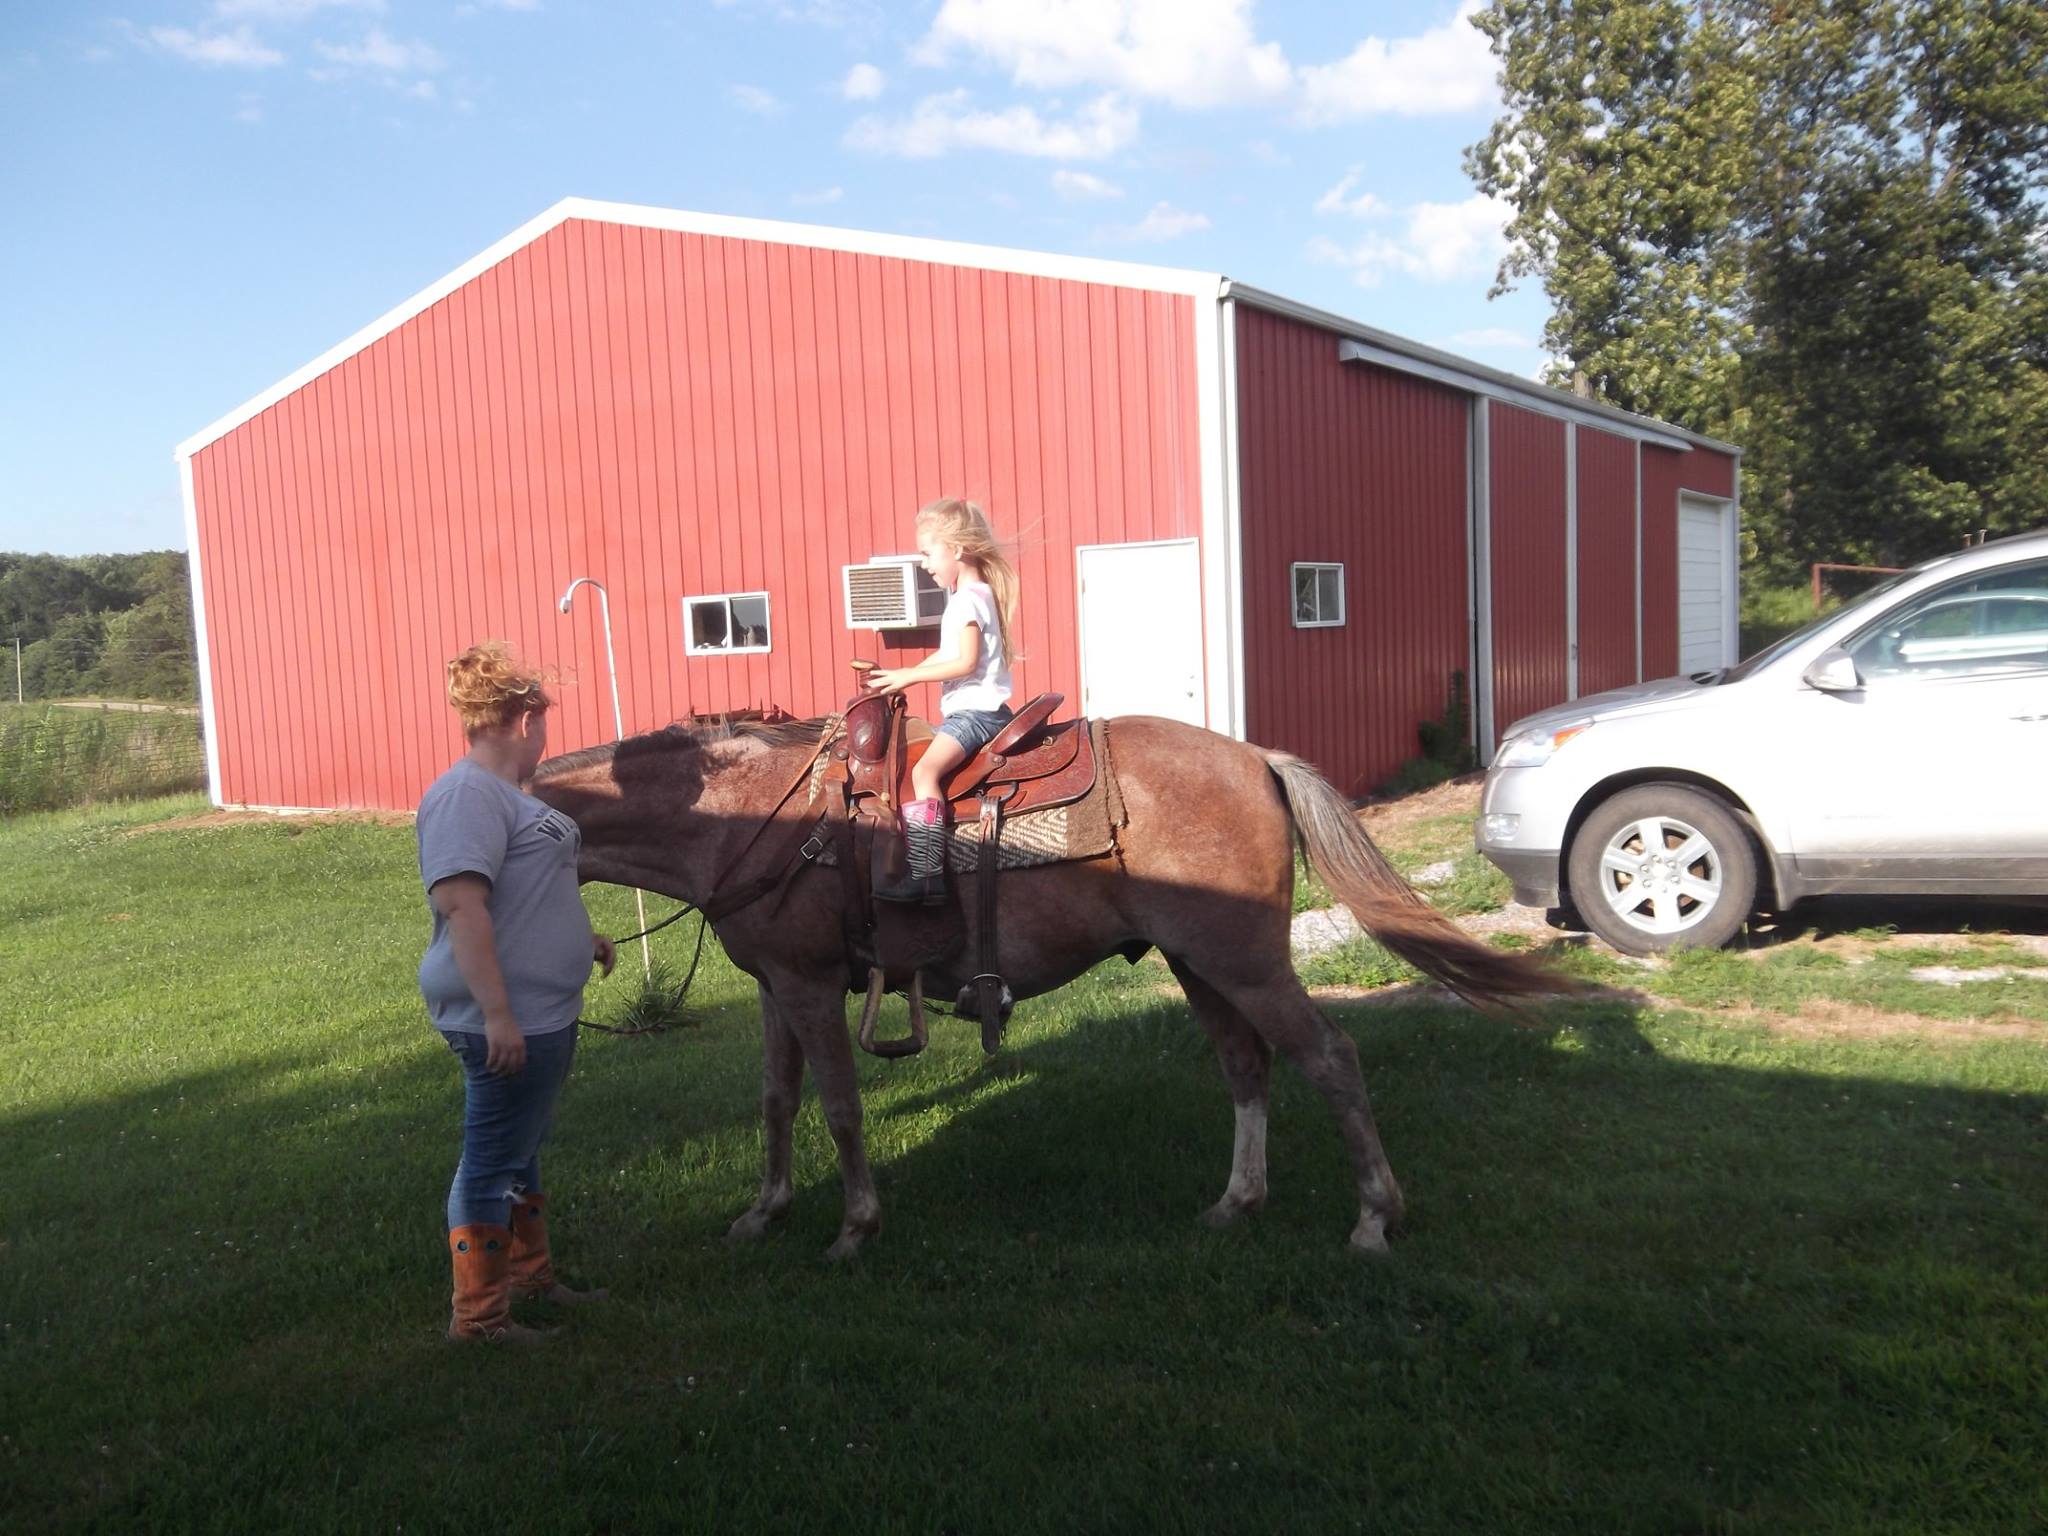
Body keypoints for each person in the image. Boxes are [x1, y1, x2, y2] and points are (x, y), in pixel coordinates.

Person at [416, 641, 615, 1342]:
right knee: (494, 1154)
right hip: (505, 1019)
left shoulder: (504, 796)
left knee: (519, 1148)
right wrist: (497, 1015)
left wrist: (579, 939)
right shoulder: (467, 794)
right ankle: (478, 1318)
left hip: (536, 1010)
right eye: (546, 724)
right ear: (527, 719)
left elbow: (523, 895)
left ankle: (531, 1279)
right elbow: (463, 908)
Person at [866, 497, 1021, 904]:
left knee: (923, 774)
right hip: (978, 712)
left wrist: (911, 675)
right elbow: (948, 655)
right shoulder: (976, 595)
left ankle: (929, 875)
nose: (923, 563)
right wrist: (901, 676)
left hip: (975, 715)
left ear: (956, 550)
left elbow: (965, 661)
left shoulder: (967, 601)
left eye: (927, 552)